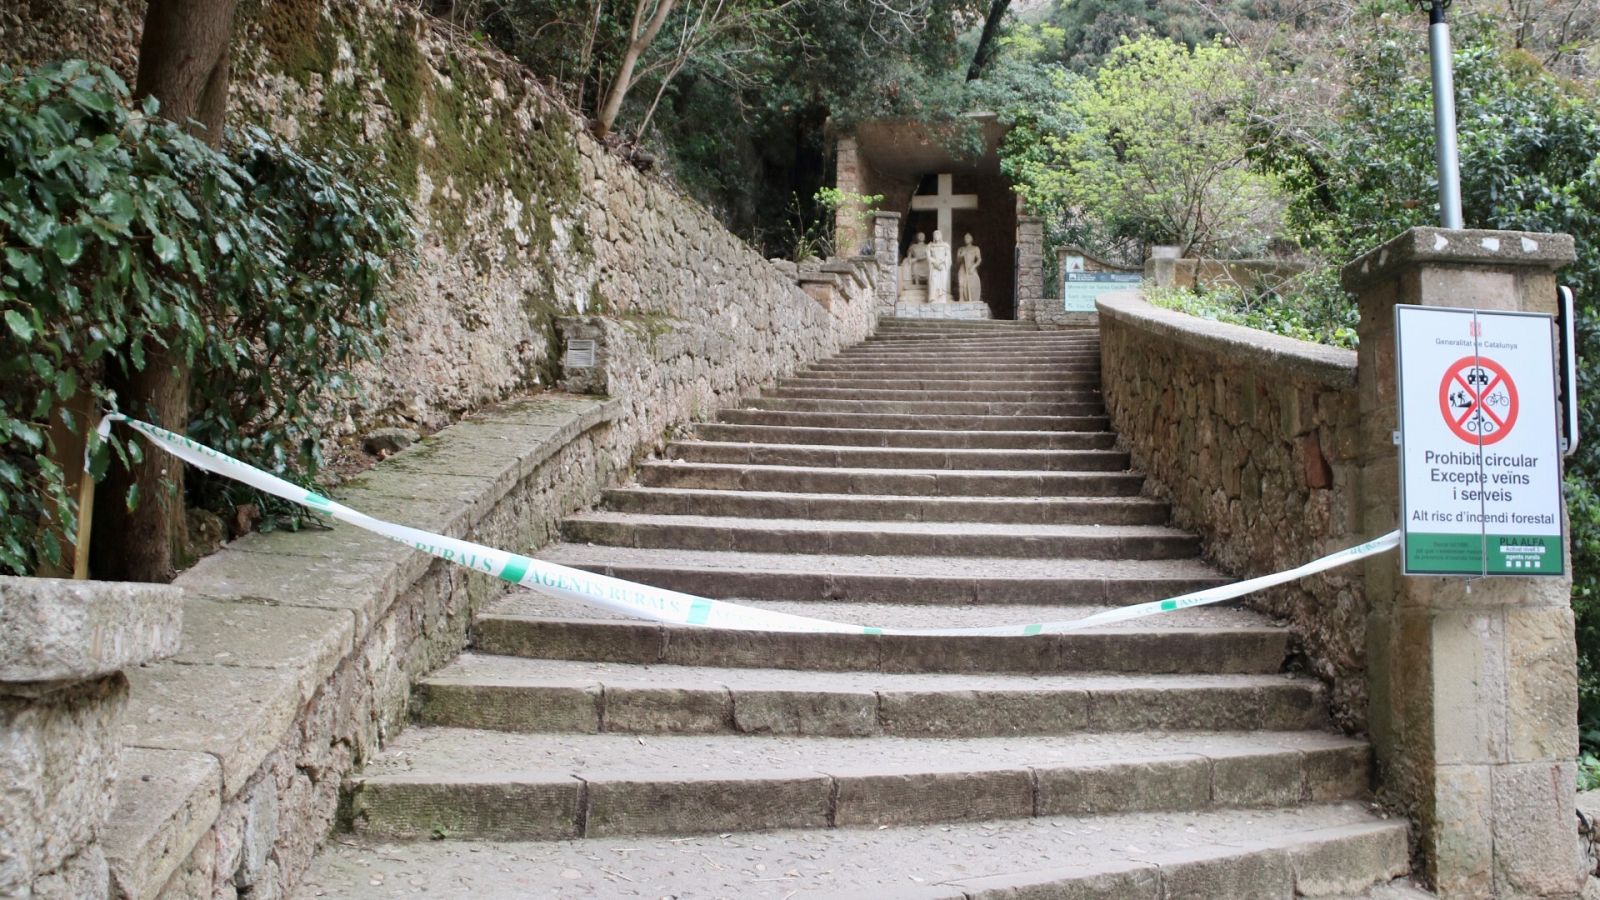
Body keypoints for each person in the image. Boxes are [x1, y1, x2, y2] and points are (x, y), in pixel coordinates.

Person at [926, 230, 952, 303]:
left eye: (938, 234)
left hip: (942, 266)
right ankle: (933, 298)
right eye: (935, 235)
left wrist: (941, 262)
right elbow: (928, 256)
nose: (936, 236)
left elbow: (948, 256)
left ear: (941, 236)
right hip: (934, 266)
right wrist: (934, 262)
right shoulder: (930, 246)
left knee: (942, 282)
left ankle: (942, 298)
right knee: (933, 281)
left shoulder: (946, 245)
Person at [956, 233, 982, 304]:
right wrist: (961, 256)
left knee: (972, 282)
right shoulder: (961, 249)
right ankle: (961, 298)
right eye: (965, 237)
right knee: (961, 281)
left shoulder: (975, 248)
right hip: (963, 267)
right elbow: (957, 262)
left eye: (968, 237)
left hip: (971, 267)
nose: (966, 239)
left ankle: (972, 297)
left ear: (972, 239)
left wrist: (973, 267)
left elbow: (979, 259)